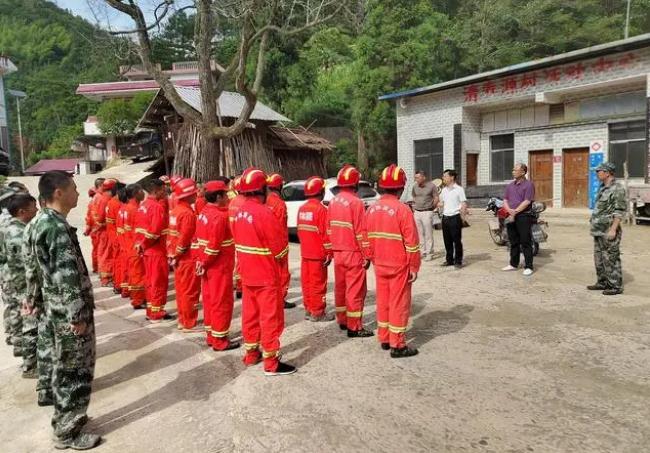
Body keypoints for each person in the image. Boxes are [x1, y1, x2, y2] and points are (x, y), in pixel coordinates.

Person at [24, 170, 100, 450]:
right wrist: (77, 315)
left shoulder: (37, 222)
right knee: (75, 370)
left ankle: (68, 420)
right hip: (67, 313)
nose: (78, 193)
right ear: (58, 193)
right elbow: (66, 275)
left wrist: (32, 298)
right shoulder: (55, 227)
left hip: (52, 310)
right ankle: (68, 431)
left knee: (64, 366)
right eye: (74, 188)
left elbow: (31, 266)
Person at [231, 167, 296, 376]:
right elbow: (281, 249)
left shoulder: (239, 212)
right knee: (270, 319)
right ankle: (271, 362)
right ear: (263, 189)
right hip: (266, 276)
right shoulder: (265, 213)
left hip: (248, 274)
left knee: (250, 315)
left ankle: (251, 354)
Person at [367, 165, 421, 358]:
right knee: (399, 303)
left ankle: (384, 338)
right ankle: (397, 345)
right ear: (401, 187)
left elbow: (367, 238)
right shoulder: (403, 210)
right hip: (398, 265)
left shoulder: (372, 208)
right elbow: (412, 243)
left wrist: (371, 257)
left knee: (383, 301)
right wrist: (414, 265)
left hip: (379, 263)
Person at [327, 164, 373, 337]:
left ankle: (343, 320)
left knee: (340, 287)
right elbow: (361, 232)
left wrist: (331, 250)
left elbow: (329, 228)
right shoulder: (356, 202)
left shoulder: (333, 201)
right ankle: (355, 326)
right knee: (355, 290)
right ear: (355, 183)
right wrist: (367, 255)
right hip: (353, 252)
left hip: (338, 252)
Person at [194, 178, 239, 350]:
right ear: (219, 197)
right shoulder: (219, 217)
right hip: (218, 265)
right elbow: (214, 247)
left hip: (207, 265)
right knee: (221, 301)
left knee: (209, 299)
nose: (228, 197)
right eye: (225, 194)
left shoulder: (204, 212)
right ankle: (220, 340)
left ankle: (212, 335)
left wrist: (201, 262)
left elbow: (201, 241)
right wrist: (205, 261)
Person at [2, 193, 38, 376]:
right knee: (30, 325)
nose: (37, 210)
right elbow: (24, 267)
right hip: (23, 286)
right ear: (22, 211)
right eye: (34, 207)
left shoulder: (9, 228)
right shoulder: (19, 234)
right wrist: (27, 294)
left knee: (22, 321)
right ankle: (30, 365)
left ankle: (25, 355)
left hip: (14, 283)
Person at [297, 176, 334, 322]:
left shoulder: (302, 209)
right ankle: (318, 312)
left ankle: (309, 309)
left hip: (305, 253)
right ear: (321, 191)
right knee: (318, 283)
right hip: (318, 254)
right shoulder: (321, 210)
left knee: (307, 283)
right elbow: (326, 235)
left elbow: (300, 231)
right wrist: (329, 253)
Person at [135, 179, 172, 322]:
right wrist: (144, 244)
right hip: (156, 250)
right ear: (156, 191)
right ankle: (156, 312)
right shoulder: (156, 207)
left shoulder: (143, 206)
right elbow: (155, 231)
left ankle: (151, 309)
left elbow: (138, 229)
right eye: (163, 190)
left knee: (150, 281)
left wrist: (140, 244)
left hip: (147, 251)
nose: (165, 192)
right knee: (158, 281)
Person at [588, 162, 626, 295]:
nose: (597, 173)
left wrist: (613, 229)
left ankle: (615, 286)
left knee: (611, 257)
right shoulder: (602, 187)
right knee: (599, 257)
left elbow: (619, 211)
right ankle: (602, 282)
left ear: (608, 172)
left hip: (608, 229)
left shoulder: (617, 188)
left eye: (599, 171)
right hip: (598, 229)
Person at [168, 178, 201, 331]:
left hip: (178, 258)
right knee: (190, 292)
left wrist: (172, 255)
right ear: (188, 196)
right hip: (187, 258)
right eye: (194, 193)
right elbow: (184, 239)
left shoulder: (175, 211)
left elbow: (171, 236)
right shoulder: (187, 214)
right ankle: (189, 322)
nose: (196, 195)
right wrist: (178, 254)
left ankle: (183, 320)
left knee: (181, 290)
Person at [265, 173, 294, 309]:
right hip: (279, 244)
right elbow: (281, 227)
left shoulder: (265, 201)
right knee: (282, 273)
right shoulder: (279, 204)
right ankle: (280, 299)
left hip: (266, 244)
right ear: (280, 186)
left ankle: (272, 298)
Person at [501, 163, 536, 276]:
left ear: (523, 172)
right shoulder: (510, 185)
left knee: (525, 241)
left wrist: (515, 211)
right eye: (513, 169)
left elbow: (527, 201)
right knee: (513, 241)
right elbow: (505, 200)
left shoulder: (529, 185)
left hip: (523, 216)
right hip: (510, 215)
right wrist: (509, 210)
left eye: (515, 170)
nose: (513, 172)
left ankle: (529, 266)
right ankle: (513, 264)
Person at [438, 169, 468, 268]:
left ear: (452, 177)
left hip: (455, 217)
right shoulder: (443, 190)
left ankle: (458, 261)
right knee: (447, 241)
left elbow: (463, 204)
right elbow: (442, 203)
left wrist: (462, 218)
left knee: (457, 240)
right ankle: (449, 260)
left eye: (445, 176)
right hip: (445, 218)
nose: (443, 178)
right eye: (443, 176)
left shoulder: (459, 189)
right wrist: (438, 204)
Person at [123, 184, 147, 309]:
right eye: (142, 191)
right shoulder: (135, 209)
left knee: (134, 273)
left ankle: (137, 297)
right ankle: (138, 300)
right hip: (135, 247)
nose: (144, 193)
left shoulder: (127, 208)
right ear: (136, 193)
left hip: (129, 245)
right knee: (138, 274)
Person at [411, 170, 438, 261]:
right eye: (415, 178)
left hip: (427, 212)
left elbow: (436, 197)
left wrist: (432, 208)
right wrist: (415, 206)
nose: (416, 179)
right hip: (417, 212)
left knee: (428, 233)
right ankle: (423, 252)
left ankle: (430, 253)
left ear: (423, 177)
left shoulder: (431, 186)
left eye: (418, 177)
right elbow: (414, 196)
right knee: (419, 233)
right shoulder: (415, 186)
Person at [229, 177, 245, 299]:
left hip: (233, 234)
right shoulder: (245, 202)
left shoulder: (233, 201)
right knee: (242, 262)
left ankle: (239, 286)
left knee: (238, 261)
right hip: (242, 236)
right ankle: (241, 286)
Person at [95, 179, 114, 286]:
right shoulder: (105, 199)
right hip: (105, 231)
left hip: (106, 231)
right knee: (106, 255)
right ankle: (106, 279)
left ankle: (107, 277)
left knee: (105, 253)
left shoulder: (103, 198)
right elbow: (100, 218)